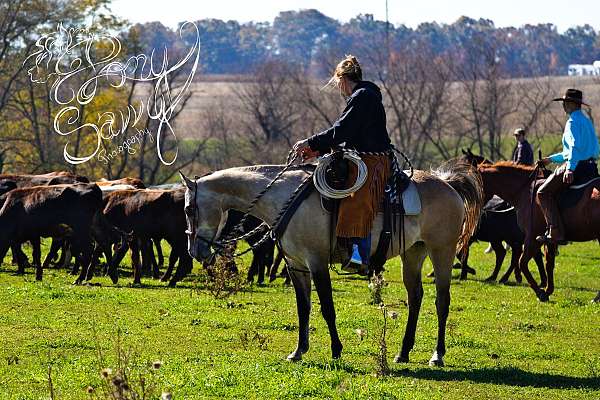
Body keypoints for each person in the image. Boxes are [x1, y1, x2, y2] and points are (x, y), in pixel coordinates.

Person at [293, 55, 392, 273]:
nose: (338, 87)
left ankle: (359, 255)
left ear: (343, 78)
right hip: (362, 158)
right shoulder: (363, 96)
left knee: (355, 201)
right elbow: (346, 134)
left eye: (337, 82)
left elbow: (341, 131)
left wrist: (310, 142)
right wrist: (317, 150)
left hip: (373, 161)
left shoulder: (363, 96)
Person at [536, 88, 599, 244]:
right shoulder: (586, 121)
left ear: (571, 104)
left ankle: (555, 232)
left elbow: (574, 149)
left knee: (542, 192)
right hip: (591, 168)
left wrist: (570, 168)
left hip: (576, 167)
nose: (563, 105)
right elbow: (592, 149)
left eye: (565, 102)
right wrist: (550, 159)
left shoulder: (572, 122)